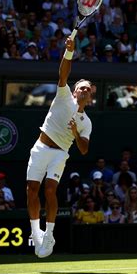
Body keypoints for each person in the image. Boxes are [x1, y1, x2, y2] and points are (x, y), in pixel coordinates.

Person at [26, 36, 93, 258]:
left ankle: (50, 234)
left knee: (50, 190)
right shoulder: (64, 96)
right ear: (75, 92)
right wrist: (69, 52)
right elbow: (63, 73)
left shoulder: (87, 123)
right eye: (82, 88)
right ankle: (36, 233)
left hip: (59, 154)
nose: (85, 91)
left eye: (88, 90)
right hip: (40, 148)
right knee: (32, 191)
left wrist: (75, 132)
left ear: (90, 98)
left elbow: (84, 149)